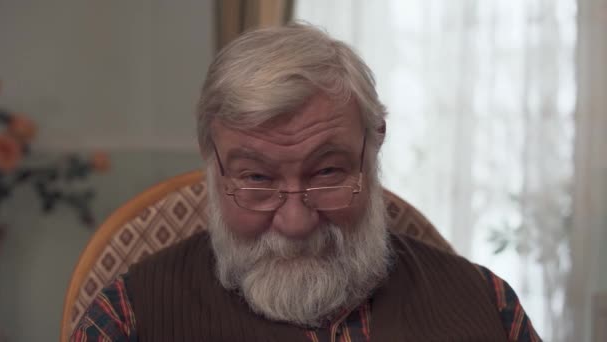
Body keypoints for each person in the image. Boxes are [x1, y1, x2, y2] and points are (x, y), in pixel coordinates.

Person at [71, 23, 541, 341]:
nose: (295, 222)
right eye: (256, 178)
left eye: (328, 172)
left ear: (374, 148)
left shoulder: (488, 305)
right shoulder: (127, 317)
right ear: (213, 166)